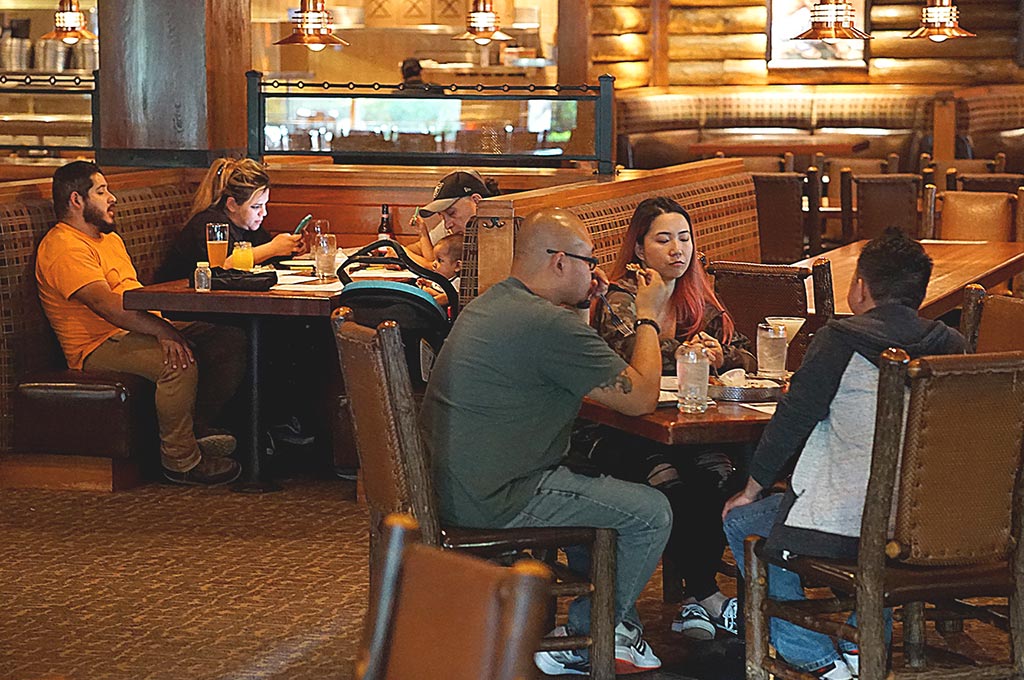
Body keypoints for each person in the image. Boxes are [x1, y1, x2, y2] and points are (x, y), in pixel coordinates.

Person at [421, 207, 673, 676]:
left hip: (453, 485)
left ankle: (612, 626)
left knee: (599, 492)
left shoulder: (497, 302)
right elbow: (640, 399)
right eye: (589, 261)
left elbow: (566, 358)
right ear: (560, 261)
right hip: (495, 497)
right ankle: (587, 637)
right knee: (650, 512)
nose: (595, 272)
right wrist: (648, 316)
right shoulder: (546, 325)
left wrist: (581, 304)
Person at [721, 228, 967, 680]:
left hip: (849, 525)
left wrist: (751, 489)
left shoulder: (840, 339)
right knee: (873, 533)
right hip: (924, 522)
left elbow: (792, 420)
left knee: (743, 521)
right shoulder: (951, 343)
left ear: (861, 287)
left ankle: (812, 655)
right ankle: (862, 642)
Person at [588, 196, 755, 640]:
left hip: (692, 431)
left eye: (684, 238)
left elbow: (745, 353)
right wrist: (687, 351)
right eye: (663, 239)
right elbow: (629, 351)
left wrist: (720, 353)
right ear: (639, 248)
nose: (677, 249)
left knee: (721, 476)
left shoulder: (697, 295)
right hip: (628, 430)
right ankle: (704, 593)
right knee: (670, 483)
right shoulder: (621, 297)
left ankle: (696, 600)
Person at [35, 161, 246, 485]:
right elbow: (107, 306)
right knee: (178, 363)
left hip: (133, 328)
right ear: (77, 200)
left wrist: (164, 325)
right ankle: (181, 461)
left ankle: (194, 429)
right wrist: (164, 330)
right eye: (101, 191)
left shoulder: (108, 240)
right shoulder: (63, 246)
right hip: (96, 346)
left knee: (227, 339)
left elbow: (132, 295)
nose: (112, 198)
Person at [163, 157, 303, 280]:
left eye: (264, 205)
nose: (264, 213)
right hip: (181, 297)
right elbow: (224, 267)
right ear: (232, 204)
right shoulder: (210, 225)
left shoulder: (248, 226)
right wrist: (273, 248)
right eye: (256, 207)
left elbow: (267, 256)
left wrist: (290, 249)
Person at [408, 169, 495, 264]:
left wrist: (403, 253)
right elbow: (418, 248)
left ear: (476, 201)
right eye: (442, 216)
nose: (447, 225)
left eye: (451, 213)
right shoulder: (453, 227)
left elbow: (436, 268)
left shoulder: (501, 232)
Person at [416, 232, 461, 306]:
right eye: (435, 259)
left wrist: (428, 293)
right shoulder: (443, 279)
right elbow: (438, 287)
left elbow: (446, 298)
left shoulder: (457, 284)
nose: (434, 263)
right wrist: (428, 284)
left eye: (440, 260)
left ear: (457, 266)